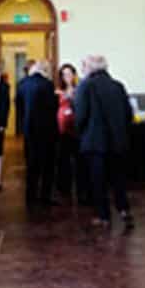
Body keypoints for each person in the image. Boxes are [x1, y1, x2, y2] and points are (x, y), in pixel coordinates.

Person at [74, 54, 133, 229]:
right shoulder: (118, 86)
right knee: (118, 179)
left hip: (94, 142)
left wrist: (80, 133)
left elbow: (81, 115)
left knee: (98, 180)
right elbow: (128, 114)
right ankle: (124, 210)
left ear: (90, 68)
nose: (82, 70)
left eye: (84, 66)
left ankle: (103, 216)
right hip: (117, 141)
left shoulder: (86, 86)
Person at [14, 60, 58, 208]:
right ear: (44, 70)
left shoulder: (22, 84)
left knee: (32, 165)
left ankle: (30, 198)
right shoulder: (47, 84)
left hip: (29, 130)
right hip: (46, 131)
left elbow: (18, 106)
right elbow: (53, 108)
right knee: (47, 166)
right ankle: (45, 197)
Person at [54, 63, 90, 205]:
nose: (67, 77)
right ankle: (64, 190)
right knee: (63, 160)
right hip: (62, 130)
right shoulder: (58, 91)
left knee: (80, 161)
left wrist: (73, 97)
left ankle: (82, 191)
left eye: (69, 74)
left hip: (77, 130)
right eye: (64, 74)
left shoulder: (80, 89)